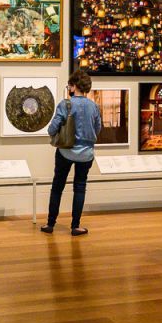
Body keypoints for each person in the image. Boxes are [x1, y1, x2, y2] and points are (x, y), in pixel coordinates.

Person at [41, 70, 102, 236]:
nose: (69, 88)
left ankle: (50, 224)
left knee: (57, 186)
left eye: (70, 85)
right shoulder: (94, 106)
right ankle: (75, 226)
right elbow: (98, 129)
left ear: (74, 86)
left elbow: (52, 128)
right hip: (86, 153)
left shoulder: (65, 104)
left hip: (65, 151)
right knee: (80, 187)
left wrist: (56, 135)